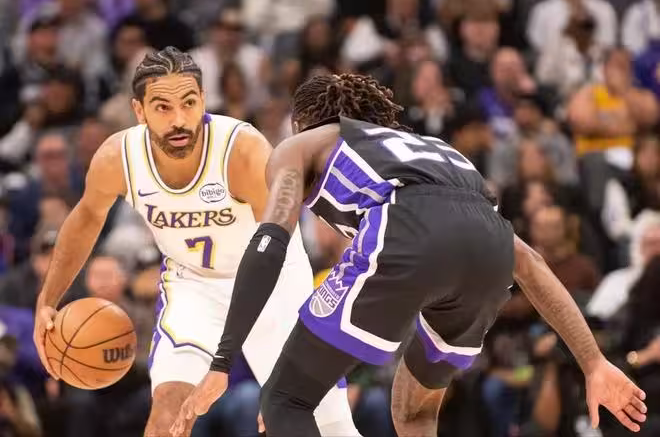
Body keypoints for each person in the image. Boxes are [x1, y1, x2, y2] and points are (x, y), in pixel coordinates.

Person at [173, 73, 649, 437]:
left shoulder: (301, 144)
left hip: (408, 227)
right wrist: (593, 362)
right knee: (415, 412)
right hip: (489, 246)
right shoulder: (433, 149)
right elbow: (528, 263)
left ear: (303, 121)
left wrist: (222, 360)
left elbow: (269, 243)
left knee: (285, 400)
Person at [31, 47, 359, 437]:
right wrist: (48, 299)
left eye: (189, 103)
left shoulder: (242, 151)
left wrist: (234, 364)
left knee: (320, 425)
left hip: (273, 280)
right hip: (193, 286)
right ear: (139, 111)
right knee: (169, 413)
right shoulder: (118, 157)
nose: (179, 119)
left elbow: (275, 246)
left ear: (203, 99)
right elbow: (86, 218)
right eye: (163, 107)